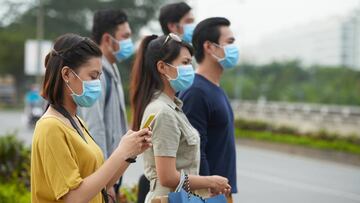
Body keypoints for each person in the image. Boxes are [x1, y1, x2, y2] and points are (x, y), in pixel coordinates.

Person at [31, 33, 151, 203]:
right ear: (66, 74)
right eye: (93, 76)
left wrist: (130, 153)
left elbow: (101, 184)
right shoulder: (50, 127)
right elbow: (73, 198)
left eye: (99, 77)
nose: (97, 84)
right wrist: (121, 152)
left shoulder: (77, 121)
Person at [130, 33, 231, 203]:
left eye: (190, 63)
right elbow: (168, 177)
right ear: (162, 67)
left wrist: (204, 188)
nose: (189, 69)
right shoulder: (163, 112)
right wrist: (210, 181)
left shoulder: (172, 107)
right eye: (184, 63)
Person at [178, 17, 239, 203]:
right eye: (229, 42)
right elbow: (194, 149)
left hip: (221, 193)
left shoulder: (216, 89)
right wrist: (207, 188)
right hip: (207, 195)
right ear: (210, 47)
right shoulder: (196, 92)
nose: (234, 48)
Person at [78, 9, 134, 196]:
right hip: (103, 178)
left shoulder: (112, 71)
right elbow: (95, 129)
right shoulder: (97, 75)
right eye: (125, 36)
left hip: (111, 175)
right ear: (108, 39)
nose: (129, 42)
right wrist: (105, 182)